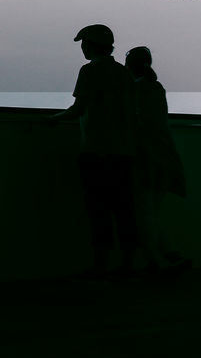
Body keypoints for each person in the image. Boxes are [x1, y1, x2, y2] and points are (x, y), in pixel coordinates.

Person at [49, 24, 138, 279]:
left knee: (98, 210)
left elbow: (78, 109)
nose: (82, 49)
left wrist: (54, 118)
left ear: (90, 46)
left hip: (96, 151)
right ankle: (128, 264)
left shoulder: (89, 71)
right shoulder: (124, 74)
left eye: (83, 44)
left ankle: (101, 265)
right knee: (124, 210)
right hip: (123, 153)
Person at [124, 46, 190, 273]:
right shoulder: (156, 88)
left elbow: (135, 123)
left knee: (144, 213)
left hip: (145, 157)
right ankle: (169, 254)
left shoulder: (135, 90)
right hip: (164, 156)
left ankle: (157, 259)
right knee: (151, 211)